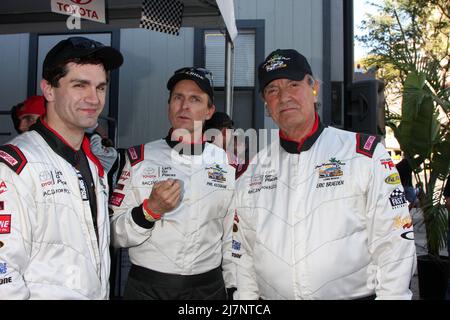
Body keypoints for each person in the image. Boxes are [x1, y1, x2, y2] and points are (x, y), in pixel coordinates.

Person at [232, 49, 416, 300]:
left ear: (314, 87)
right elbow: (243, 255)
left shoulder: (365, 155)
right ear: (267, 104)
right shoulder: (252, 170)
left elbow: (395, 243)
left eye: (293, 84)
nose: (284, 96)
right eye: (272, 90)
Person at [0, 36, 123, 299]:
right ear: (49, 90)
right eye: (80, 85)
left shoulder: (92, 165)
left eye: (101, 87)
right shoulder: (15, 167)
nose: (94, 98)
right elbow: (4, 277)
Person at [110, 67, 235, 300]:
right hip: (147, 288)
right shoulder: (139, 158)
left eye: (195, 99)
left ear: (210, 111)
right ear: (169, 106)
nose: (184, 106)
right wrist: (149, 211)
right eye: (178, 97)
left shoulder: (227, 164)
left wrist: (234, 286)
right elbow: (114, 234)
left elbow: (231, 236)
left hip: (208, 290)